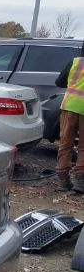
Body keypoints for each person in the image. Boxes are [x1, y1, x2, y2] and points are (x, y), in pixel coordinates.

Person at [55, 42, 84, 191]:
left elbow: (59, 82)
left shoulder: (75, 62)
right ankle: (80, 180)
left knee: (65, 143)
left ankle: (63, 180)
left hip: (70, 106)